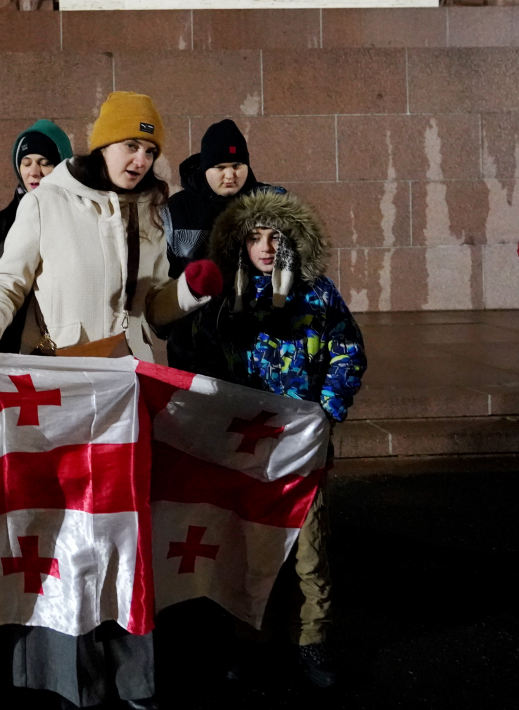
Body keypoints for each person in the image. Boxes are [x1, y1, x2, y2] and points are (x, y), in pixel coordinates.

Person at [0, 91, 224, 709]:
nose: (140, 159)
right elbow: (7, 280)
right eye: (131, 145)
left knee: (125, 530)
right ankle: (69, 674)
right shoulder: (47, 201)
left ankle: (133, 676)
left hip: (129, 391)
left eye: (150, 149)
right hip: (64, 389)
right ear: (103, 143)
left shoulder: (151, 207)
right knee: (67, 529)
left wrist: (188, 291)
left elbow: (152, 308)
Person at [186, 188, 367, 689]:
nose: (266, 247)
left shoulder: (318, 293)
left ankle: (311, 640)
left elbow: (346, 351)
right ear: (239, 243)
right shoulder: (226, 298)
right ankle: (251, 638)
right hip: (246, 447)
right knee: (250, 545)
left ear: (293, 240)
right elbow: (202, 360)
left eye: (276, 236)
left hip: (302, 444)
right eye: (255, 237)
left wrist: (327, 409)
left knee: (309, 550)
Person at [161, 118, 284, 370]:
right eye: (220, 167)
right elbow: (163, 273)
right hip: (193, 346)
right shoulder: (177, 209)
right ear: (205, 167)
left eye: (237, 165)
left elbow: (297, 264)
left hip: (259, 344)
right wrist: (171, 326)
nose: (230, 175)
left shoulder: (273, 202)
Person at [0, 119, 73, 353]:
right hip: (16, 344)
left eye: (45, 163)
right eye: (26, 163)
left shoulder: (80, 217)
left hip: (70, 344)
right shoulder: (1, 224)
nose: (34, 172)